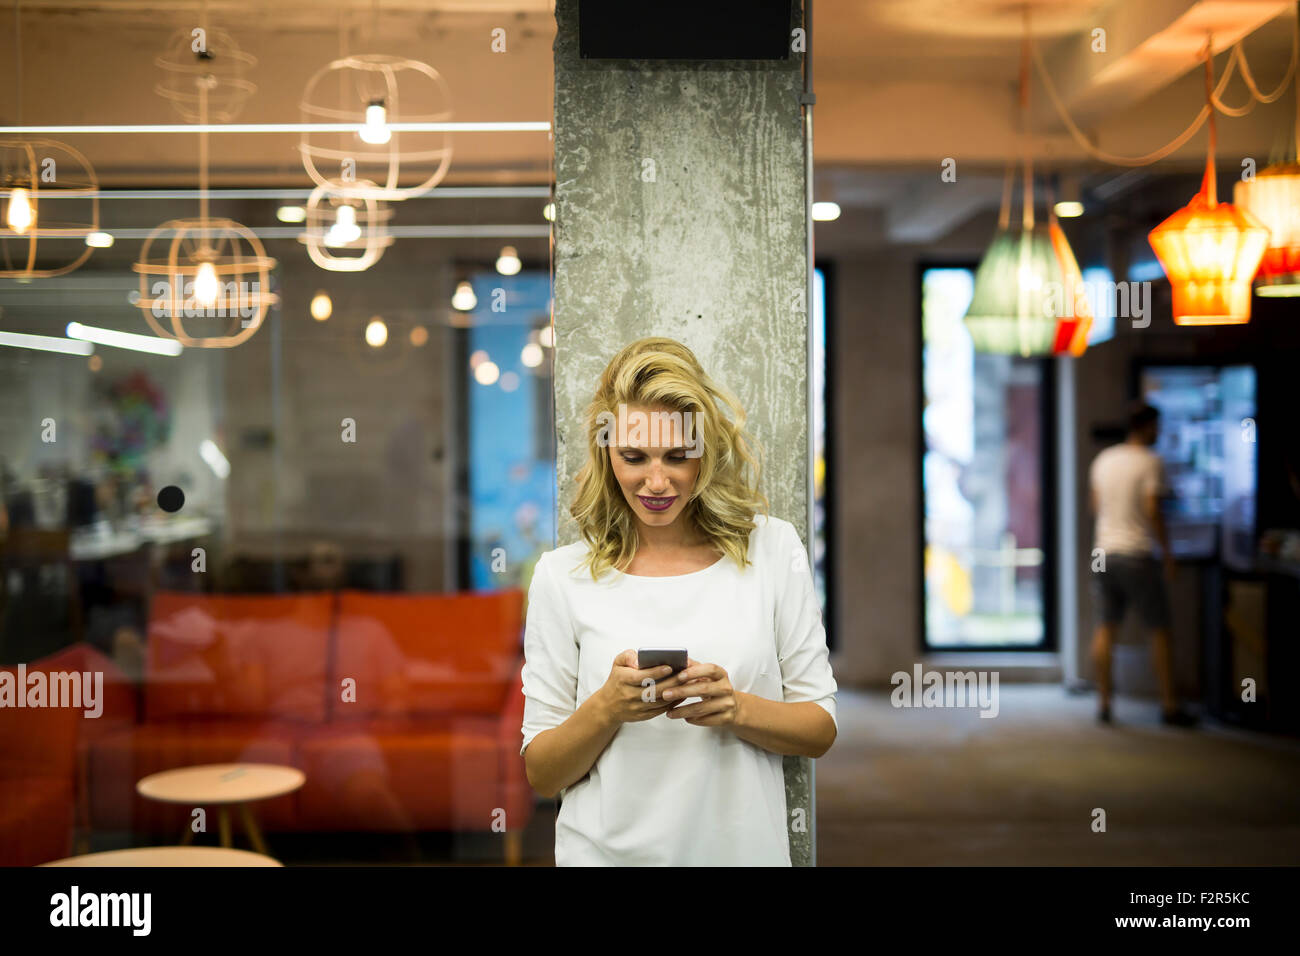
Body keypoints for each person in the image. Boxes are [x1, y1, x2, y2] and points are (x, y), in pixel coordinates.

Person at [519, 337, 838, 866]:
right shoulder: (563, 577)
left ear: (703, 452)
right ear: (607, 454)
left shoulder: (773, 549)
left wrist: (736, 707)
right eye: (634, 457)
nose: (657, 481)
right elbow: (543, 772)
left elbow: (820, 728)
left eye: (677, 456)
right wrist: (606, 708)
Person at [1088, 402, 1196, 727]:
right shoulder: (1151, 462)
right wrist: (1167, 553)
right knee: (1159, 629)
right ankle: (1169, 705)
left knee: (1106, 626)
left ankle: (1104, 703)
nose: (1159, 433)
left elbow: (1095, 508)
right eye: (1157, 427)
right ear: (1147, 427)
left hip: (1103, 553)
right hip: (1136, 553)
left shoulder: (1104, 460)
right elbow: (1153, 510)